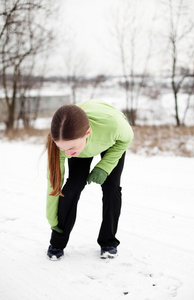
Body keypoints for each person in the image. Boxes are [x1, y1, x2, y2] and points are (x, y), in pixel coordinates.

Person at [45, 99, 133, 260]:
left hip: (109, 140)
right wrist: (52, 219)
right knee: (73, 185)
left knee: (111, 187)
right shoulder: (63, 141)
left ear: (87, 134)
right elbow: (54, 184)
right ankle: (57, 242)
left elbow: (126, 139)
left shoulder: (113, 126)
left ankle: (108, 242)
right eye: (62, 149)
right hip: (80, 140)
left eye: (71, 148)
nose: (67, 153)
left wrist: (104, 167)